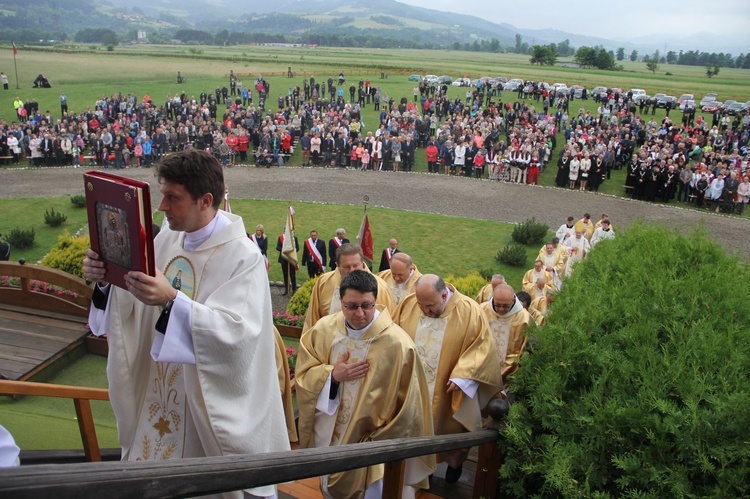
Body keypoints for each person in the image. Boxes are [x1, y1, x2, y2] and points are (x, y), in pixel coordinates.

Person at [82, 150, 289, 498]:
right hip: (156, 395)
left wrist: (171, 301)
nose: (162, 206)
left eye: (172, 198)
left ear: (205, 201)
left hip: (201, 410)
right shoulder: (168, 239)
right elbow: (133, 297)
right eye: (162, 194)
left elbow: (238, 335)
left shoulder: (244, 258)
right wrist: (106, 277)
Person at [296, 271, 435, 498]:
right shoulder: (324, 330)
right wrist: (332, 376)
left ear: (375, 301)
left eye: (366, 305)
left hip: (375, 445)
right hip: (332, 435)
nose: (360, 313)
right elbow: (303, 376)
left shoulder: (398, 344)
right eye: (351, 306)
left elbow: (412, 403)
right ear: (340, 301)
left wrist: (381, 440)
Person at [393, 274, 503, 483]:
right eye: (421, 305)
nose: (425, 311)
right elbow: (394, 335)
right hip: (413, 387)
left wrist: (463, 375)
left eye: (430, 305)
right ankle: (424, 474)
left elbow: (482, 348)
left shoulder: (469, 311)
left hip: (448, 389)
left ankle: (454, 467)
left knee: (450, 432)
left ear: (444, 295)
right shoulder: (408, 304)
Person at [303, 243, 395, 333]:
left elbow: (389, 325)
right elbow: (312, 321)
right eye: (346, 267)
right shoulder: (324, 283)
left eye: (355, 265)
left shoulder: (381, 287)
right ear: (337, 266)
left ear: (363, 264)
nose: (352, 271)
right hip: (329, 344)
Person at [478, 284, 531, 387]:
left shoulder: (524, 318)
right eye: (497, 305)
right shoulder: (482, 309)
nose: (501, 310)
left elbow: (529, 348)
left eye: (506, 306)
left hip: (508, 374)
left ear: (513, 301)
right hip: (481, 370)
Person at [276, 229, 299, 296]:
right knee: (285, 275)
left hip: (291, 259)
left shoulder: (294, 238)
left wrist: (291, 251)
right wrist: (284, 250)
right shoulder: (280, 238)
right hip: (284, 259)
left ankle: (294, 289)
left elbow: (297, 248)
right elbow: (277, 247)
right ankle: (287, 289)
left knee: (292, 275)